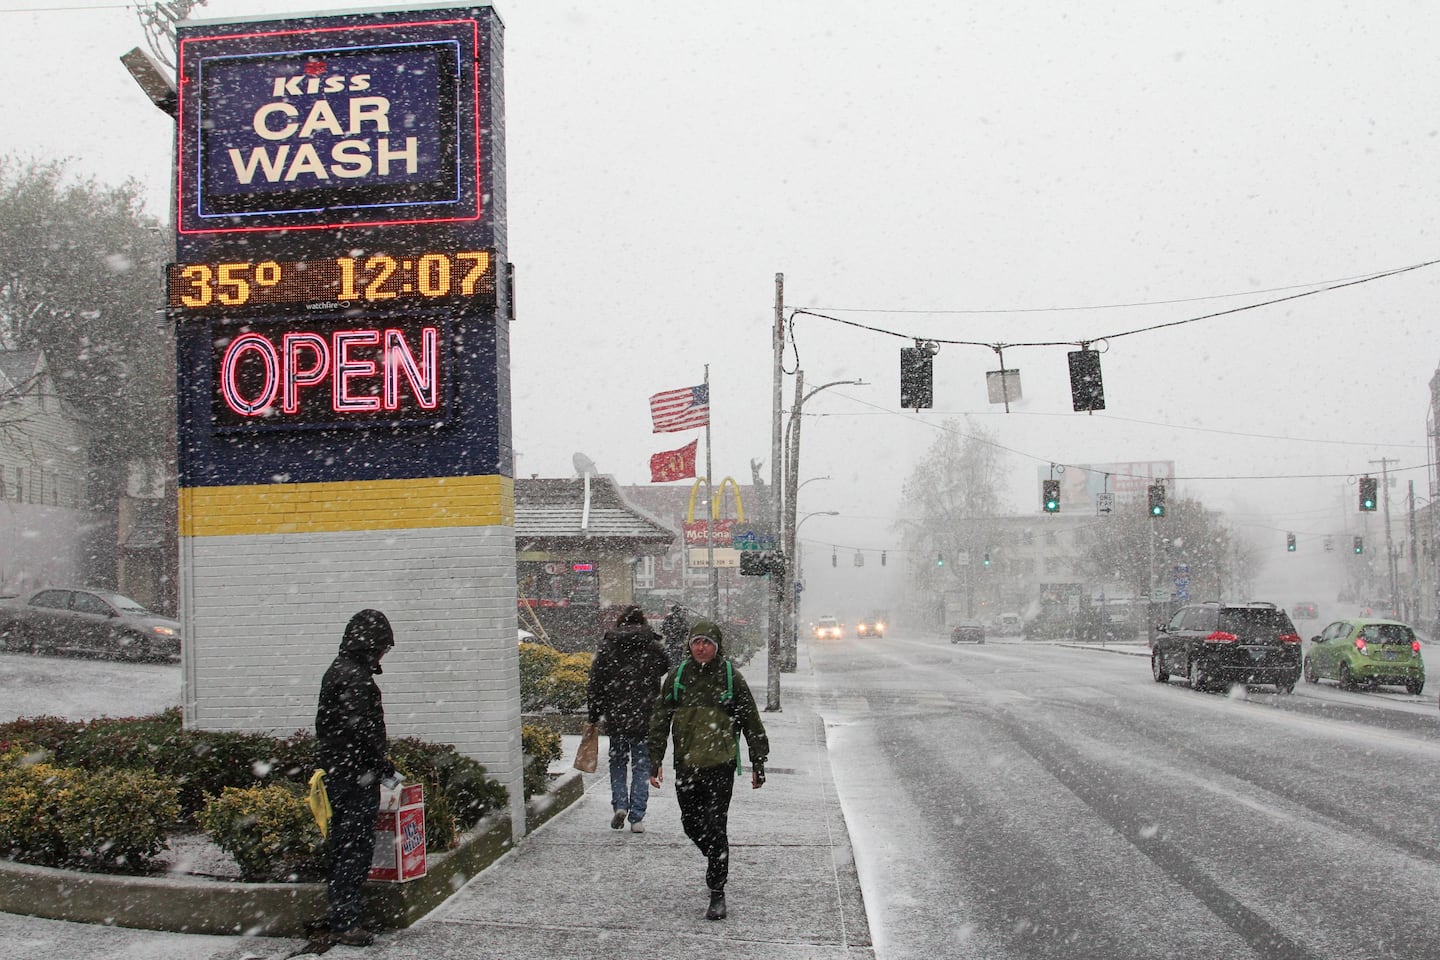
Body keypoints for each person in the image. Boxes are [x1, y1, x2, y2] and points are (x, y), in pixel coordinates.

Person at [648, 619, 768, 921]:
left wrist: (758, 762)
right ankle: (716, 856)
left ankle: (717, 890)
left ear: (717, 646)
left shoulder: (731, 679)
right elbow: (660, 721)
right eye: (696, 642)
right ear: (689, 644)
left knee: (716, 825)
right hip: (687, 766)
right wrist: (654, 759)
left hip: (721, 766)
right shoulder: (676, 678)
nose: (701, 648)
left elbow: (752, 723)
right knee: (690, 823)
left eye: (707, 643)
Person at [315, 609, 397, 948]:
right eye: (383, 648)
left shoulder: (338, 671)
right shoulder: (357, 679)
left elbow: (332, 729)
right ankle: (346, 920)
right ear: (372, 646)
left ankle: (343, 912)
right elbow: (363, 732)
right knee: (354, 847)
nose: (383, 655)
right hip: (354, 777)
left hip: (340, 772)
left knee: (343, 845)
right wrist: (383, 768)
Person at [587, 604, 670, 833]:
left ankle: (620, 805)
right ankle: (637, 817)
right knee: (642, 765)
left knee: (618, 762)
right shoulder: (652, 646)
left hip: (616, 715)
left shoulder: (608, 646)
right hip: (645, 715)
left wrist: (594, 713)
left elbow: (595, 682)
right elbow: (666, 666)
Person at [659, 602, 689, 667]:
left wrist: (670, 634)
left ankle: (672, 670)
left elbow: (662, 629)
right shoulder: (682, 619)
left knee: (671, 660)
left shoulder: (668, 618)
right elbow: (686, 630)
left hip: (670, 643)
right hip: (680, 643)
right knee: (679, 660)